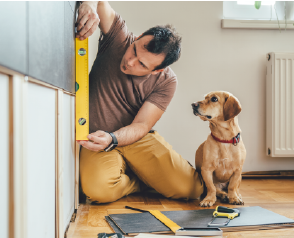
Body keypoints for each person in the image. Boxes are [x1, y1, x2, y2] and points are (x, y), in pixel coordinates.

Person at [76, 1, 203, 203]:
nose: (130, 61)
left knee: (192, 189)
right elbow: (100, 2)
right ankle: (140, 181)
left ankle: (146, 175)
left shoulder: (167, 81)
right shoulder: (118, 37)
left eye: (142, 64)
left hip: (135, 137)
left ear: (157, 70)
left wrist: (114, 138)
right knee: (98, 191)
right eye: (134, 49)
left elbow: (142, 124)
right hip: (97, 139)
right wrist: (89, 4)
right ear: (138, 37)